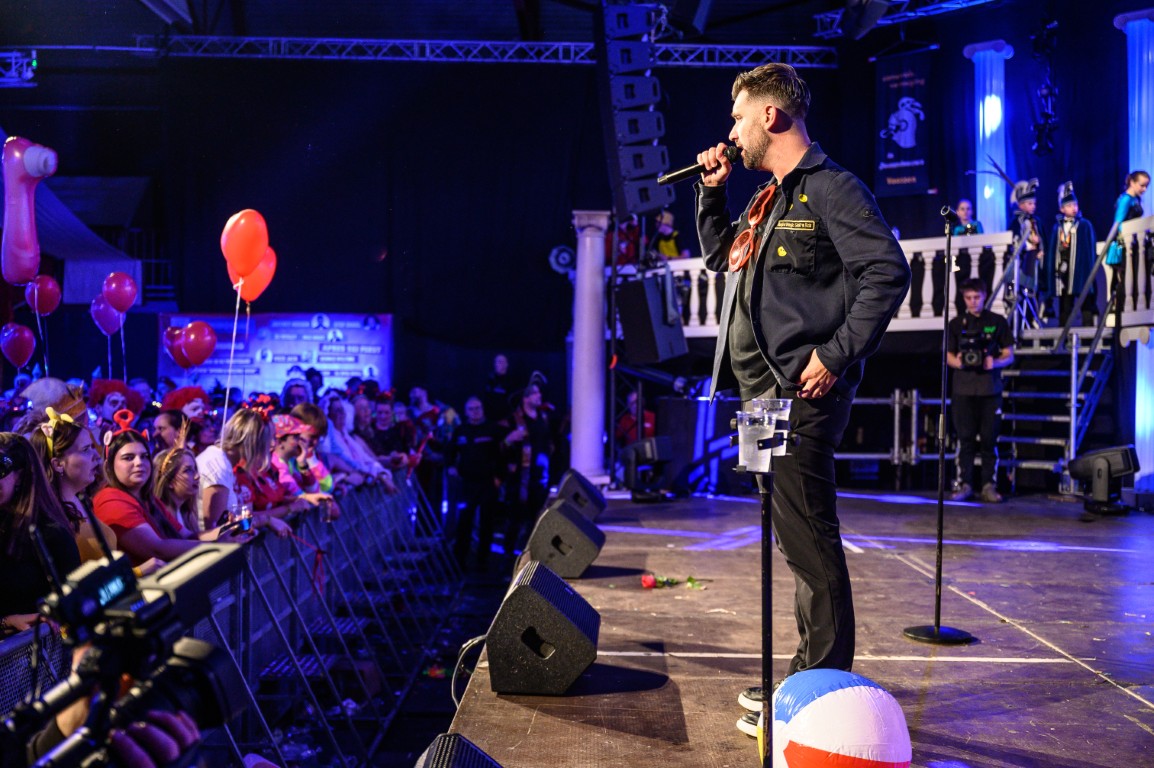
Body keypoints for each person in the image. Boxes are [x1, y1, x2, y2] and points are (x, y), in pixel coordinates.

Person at [693, 63, 910, 728]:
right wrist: (711, 195)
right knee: (790, 540)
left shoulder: (832, 188)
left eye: (739, 117)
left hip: (799, 395)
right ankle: (802, 677)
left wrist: (836, 354)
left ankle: (821, 694)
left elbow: (886, 272)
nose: (732, 132)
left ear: (771, 115)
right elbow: (722, 257)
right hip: (759, 397)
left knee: (811, 540)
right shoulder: (769, 197)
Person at [0, 432, 81, 636]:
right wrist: (5, 621)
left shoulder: (50, 534)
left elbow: (75, 608)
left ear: (20, 475)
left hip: (39, 650)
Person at [947, 278, 1014, 503]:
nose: (973, 302)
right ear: (963, 298)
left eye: (976, 297)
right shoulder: (956, 324)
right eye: (968, 298)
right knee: (965, 439)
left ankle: (988, 485)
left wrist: (994, 362)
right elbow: (947, 356)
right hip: (963, 389)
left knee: (989, 440)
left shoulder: (997, 321)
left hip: (990, 389)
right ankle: (964, 484)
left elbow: (1009, 354)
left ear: (984, 296)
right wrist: (959, 362)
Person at [446, 397, 505, 570]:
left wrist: (499, 477)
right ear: (466, 412)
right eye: (471, 409)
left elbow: (502, 455)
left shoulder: (493, 429)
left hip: (488, 482)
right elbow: (450, 451)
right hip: (467, 483)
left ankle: (483, 561)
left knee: (487, 522)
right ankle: (459, 561)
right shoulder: (460, 430)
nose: (475, 412)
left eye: (478, 408)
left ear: (483, 409)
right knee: (464, 521)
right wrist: (450, 466)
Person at [1044, 181, 1097, 327]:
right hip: (1064, 270)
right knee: (1065, 303)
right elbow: (1053, 249)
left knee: (1085, 300)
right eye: (1069, 206)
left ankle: (1088, 333)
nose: (1073, 208)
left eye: (1075, 205)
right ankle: (1064, 333)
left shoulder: (1084, 225)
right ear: (1062, 209)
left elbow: (1089, 249)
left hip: (1080, 270)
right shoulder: (1057, 227)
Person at [1106, 170, 1150, 328]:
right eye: (1142, 185)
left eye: (1146, 186)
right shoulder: (1126, 199)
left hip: (1133, 244)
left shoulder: (1135, 199)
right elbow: (1118, 222)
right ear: (1132, 182)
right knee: (1123, 280)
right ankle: (1120, 317)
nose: (1144, 189)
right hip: (1123, 244)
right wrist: (1116, 244)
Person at [1010, 178, 1044, 319]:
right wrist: (1027, 245)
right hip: (1024, 259)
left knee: (1035, 289)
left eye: (1034, 203)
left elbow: (1041, 237)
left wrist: (1040, 247)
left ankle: (1034, 316)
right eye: (1030, 203)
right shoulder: (1017, 221)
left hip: (1036, 258)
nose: (1033, 206)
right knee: (1025, 287)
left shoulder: (1036, 220)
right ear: (1021, 205)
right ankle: (1025, 317)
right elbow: (1015, 239)